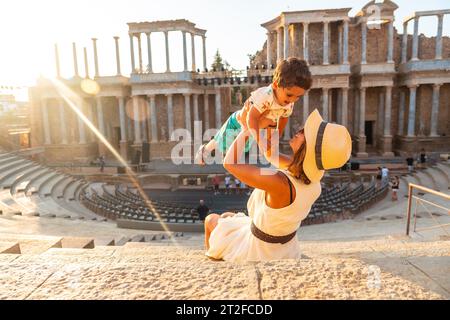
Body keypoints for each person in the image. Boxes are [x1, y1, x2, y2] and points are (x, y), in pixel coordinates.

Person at [204, 109, 352, 262]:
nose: (299, 131)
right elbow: (270, 154)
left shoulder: (280, 182)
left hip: (258, 250)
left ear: (308, 148)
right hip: (286, 248)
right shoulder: (312, 181)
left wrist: (248, 128)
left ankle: (211, 258)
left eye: (304, 133)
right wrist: (276, 115)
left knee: (211, 220)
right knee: (227, 217)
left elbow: (230, 163)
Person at [195, 58, 312, 165]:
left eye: (298, 97)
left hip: (255, 127)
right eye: (289, 95)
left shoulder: (289, 102)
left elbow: (283, 118)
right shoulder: (265, 96)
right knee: (220, 143)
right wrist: (261, 141)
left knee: (241, 149)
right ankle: (204, 149)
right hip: (238, 123)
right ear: (276, 85)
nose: (292, 100)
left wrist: (275, 137)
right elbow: (251, 119)